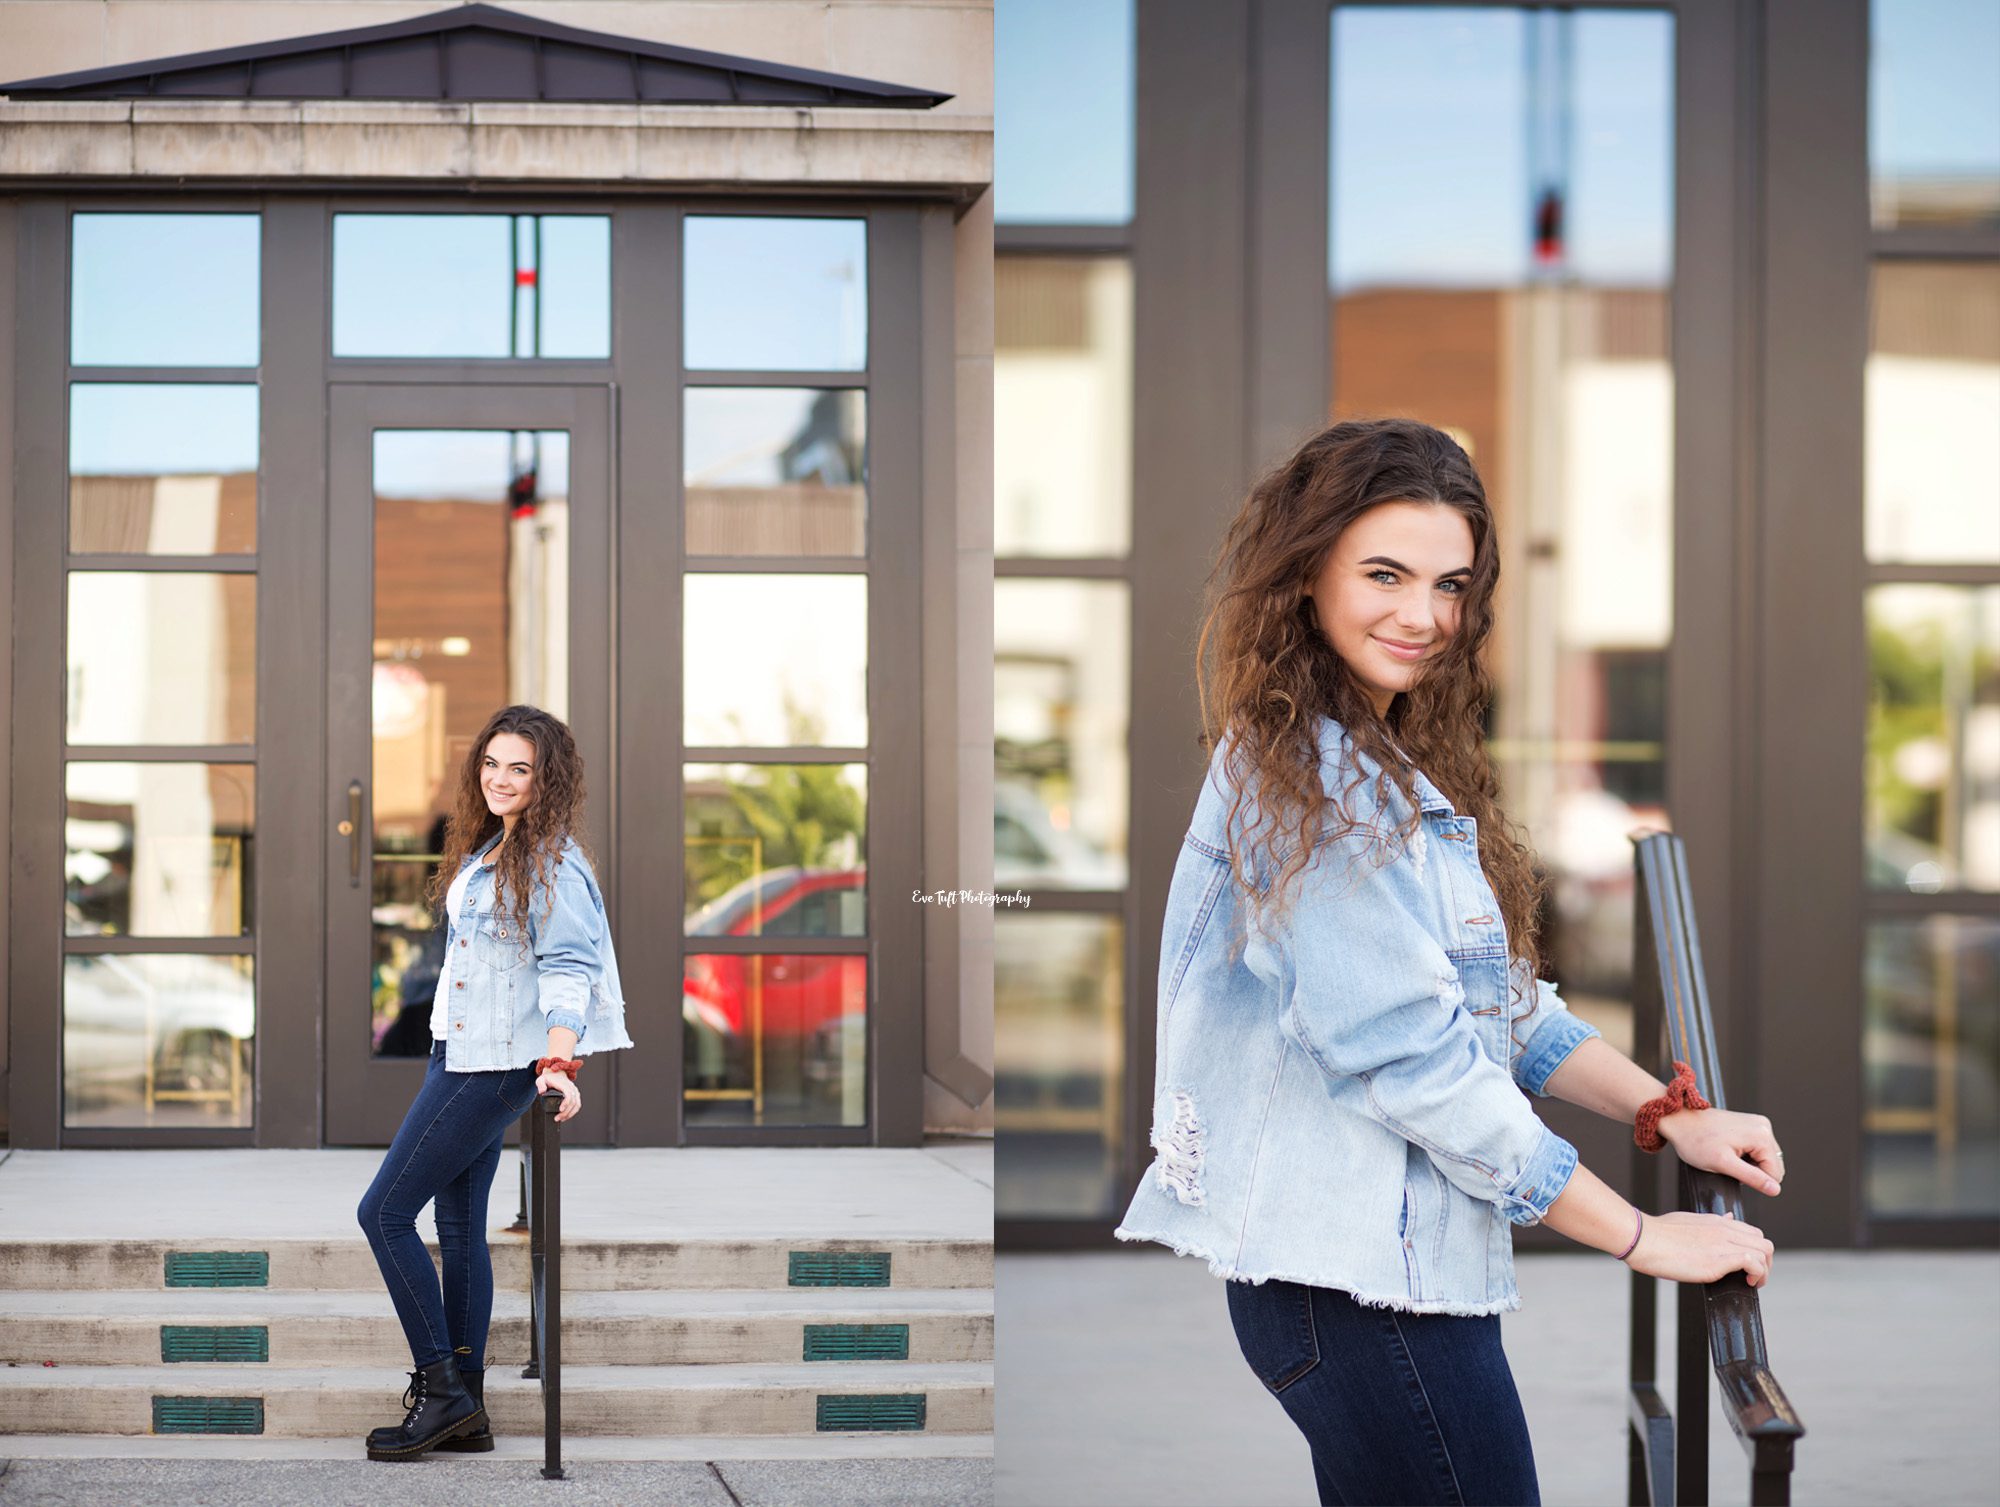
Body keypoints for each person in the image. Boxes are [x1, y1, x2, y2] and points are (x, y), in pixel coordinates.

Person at [1114, 419, 1785, 1507]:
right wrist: (1640, 1235)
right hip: (1358, 1300)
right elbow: (1416, 1062)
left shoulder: (1366, 757)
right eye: (1383, 573)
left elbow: (1496, 1006)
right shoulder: (1314, 790)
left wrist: (1663, 1113)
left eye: (1448, 583)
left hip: (1376, 1285)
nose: (1421, 615)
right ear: (1305, 574)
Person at [357, 704, 634, 1462]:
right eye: (492, 763)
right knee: (455, 1227)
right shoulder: (494, 848)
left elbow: (569, 969)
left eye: (520, 768)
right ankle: (466, 1409)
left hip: (492, 1066)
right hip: (459, 1048)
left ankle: (441, 1387)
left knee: (382, 1212)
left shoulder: (550, 860)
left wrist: (558, 1063)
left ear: (547, 779)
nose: (501, 779)